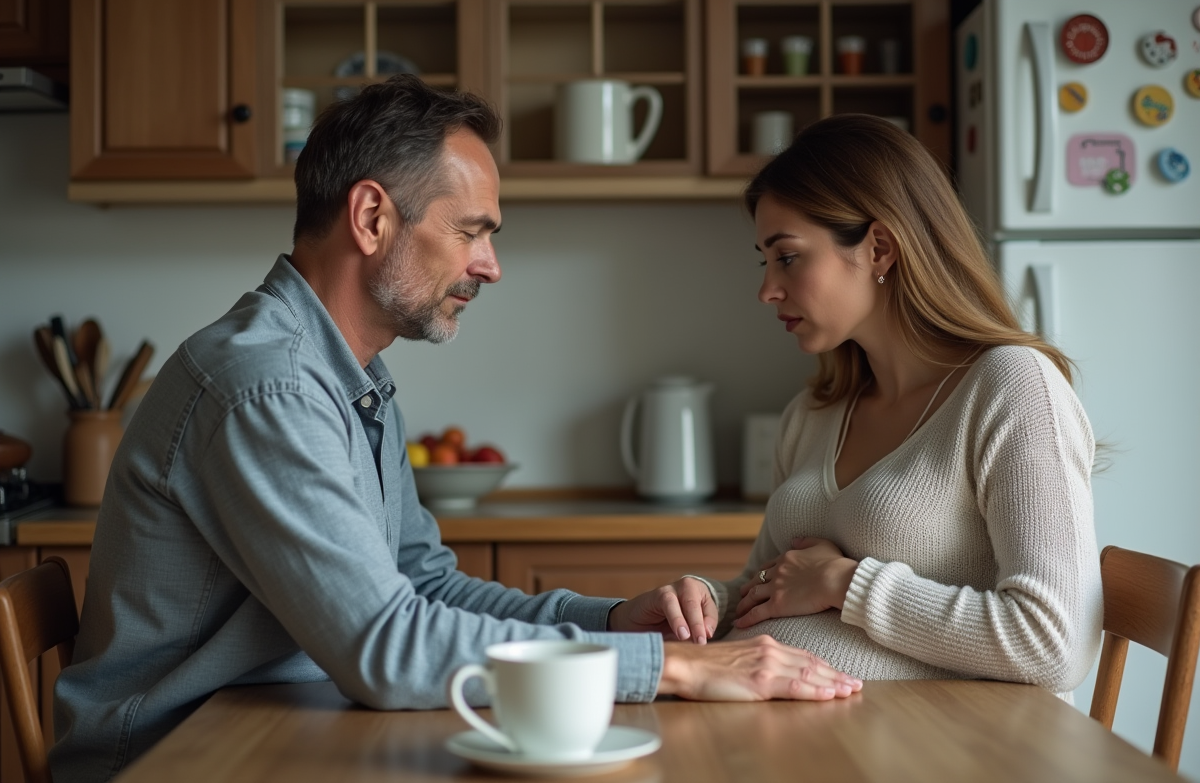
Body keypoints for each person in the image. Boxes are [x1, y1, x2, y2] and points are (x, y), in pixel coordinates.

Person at [48, 76, 860, 782]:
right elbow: (386, 648)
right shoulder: (267, 389)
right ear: (372, 218)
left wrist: (611, 621)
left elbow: (423, 586)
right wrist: (676, 666)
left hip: (275, 726)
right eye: (470, 231)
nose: (489, 266)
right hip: (174, 761)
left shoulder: (347, 378)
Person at [676, 114, 1103, 695]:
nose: (767, 289)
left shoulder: (1011, 387)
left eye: (789, 257)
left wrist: (847, 584)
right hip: (781, 739)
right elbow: (769, 588)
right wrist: (707, 601)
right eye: (765, 260)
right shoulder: (814, 413)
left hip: (932, 752)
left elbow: (1054, 644)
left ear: (878, 248)